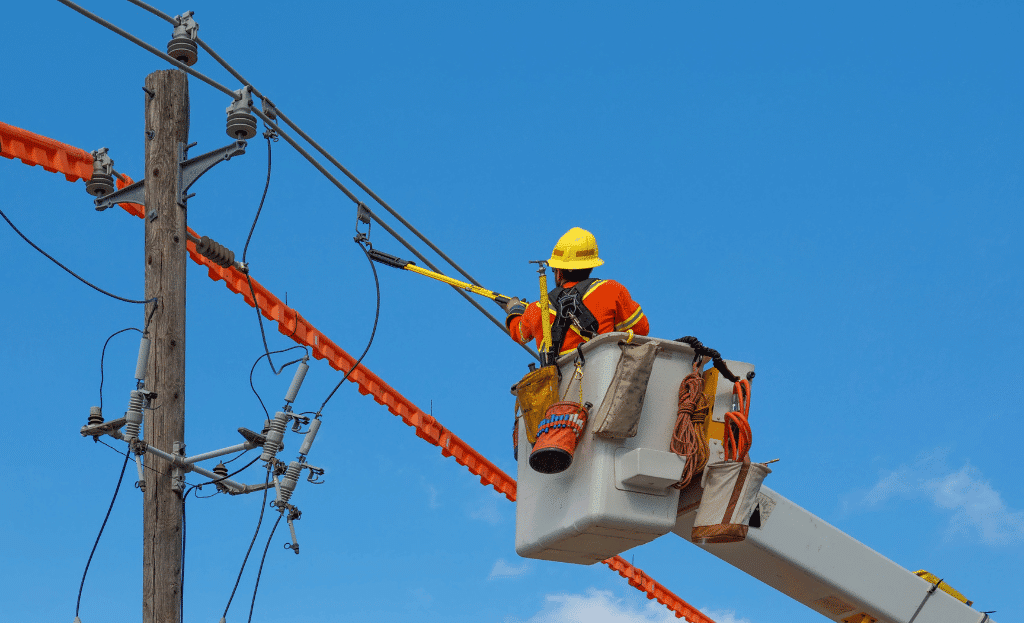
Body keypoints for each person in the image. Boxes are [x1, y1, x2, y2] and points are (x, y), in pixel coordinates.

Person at [504, 227, 648, 358]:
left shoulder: (537, 309)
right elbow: (640, 329)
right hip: (605, 374)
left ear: (559, 272)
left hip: (562, 384)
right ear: (591, 266)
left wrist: (515, 309)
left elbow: (519, 334)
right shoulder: (612, 290)